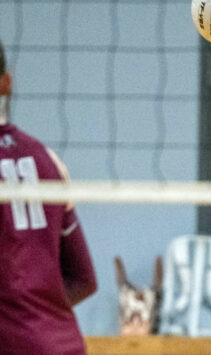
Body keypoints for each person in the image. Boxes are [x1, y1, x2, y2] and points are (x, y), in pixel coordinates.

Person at [0, 40, 97, 355]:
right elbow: (84, 280)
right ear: (7, 82)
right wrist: (35, 318)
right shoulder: (48, 160)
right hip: (64, 345)